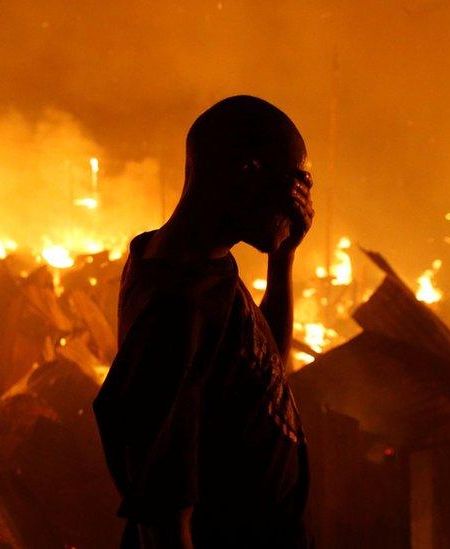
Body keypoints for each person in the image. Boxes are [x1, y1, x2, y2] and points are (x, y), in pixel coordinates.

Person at [93, 95, 314, 548]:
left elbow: (268, 357)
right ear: (248, 172)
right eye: (294, 183)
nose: (301, 203)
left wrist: (283, 258)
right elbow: (163, 515)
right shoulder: (178, 309)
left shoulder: (202, 267)